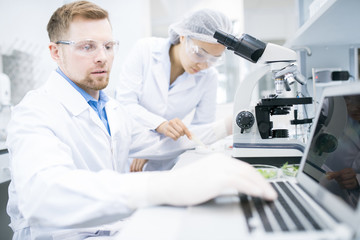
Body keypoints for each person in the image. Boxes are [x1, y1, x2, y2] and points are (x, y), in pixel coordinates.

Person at [6, 1, 277, 239]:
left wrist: (224, 127)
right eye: (87, 46)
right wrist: (167, 186)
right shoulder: (36, 111)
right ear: (55, 52)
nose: (102, 56)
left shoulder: (109, 110)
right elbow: (42, 198)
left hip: (111, 225)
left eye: (108, 46)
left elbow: (164, 144)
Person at [115, 9, 233, 172]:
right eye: (199, 54)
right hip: (130, 155)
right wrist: (159, 125)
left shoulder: (209, 77)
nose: (203, 65)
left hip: (168, 160)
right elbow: (125, 104)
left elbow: (200, 132)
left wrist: (152, 150)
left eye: (213, 59)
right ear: (183, 37)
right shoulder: (145, 50)